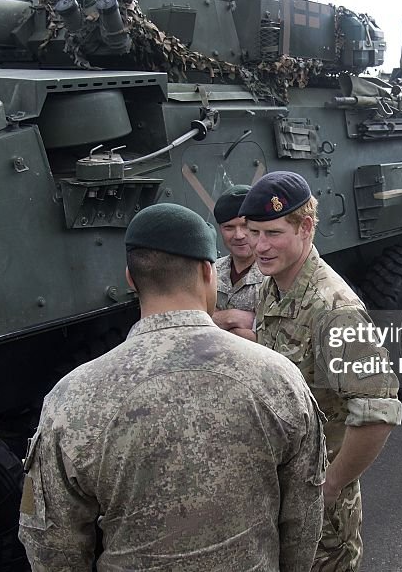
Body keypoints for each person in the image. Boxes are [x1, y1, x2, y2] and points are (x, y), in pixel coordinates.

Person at [19, 203, 326, 571]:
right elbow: (303, 520)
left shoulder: (71, 399)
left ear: (131, 279)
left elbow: (52, 544)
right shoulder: (279, 379)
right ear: (208, 272)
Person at [241, 171, 401, 572]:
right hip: (276, 487)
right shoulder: (271, 286)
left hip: (320, 510)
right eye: (253, 232)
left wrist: (330, 487)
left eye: (273, 233)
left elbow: (377, 415)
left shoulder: (335, 310)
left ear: (306, 227)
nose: (258, 246)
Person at [210, 185, 264, 341]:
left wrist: (215, 321)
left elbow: (278, 337)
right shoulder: (211, 271)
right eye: (229, 227)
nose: (239, 235)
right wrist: (232, 318)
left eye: (245, 226)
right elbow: (194, 322)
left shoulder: (275, 276)